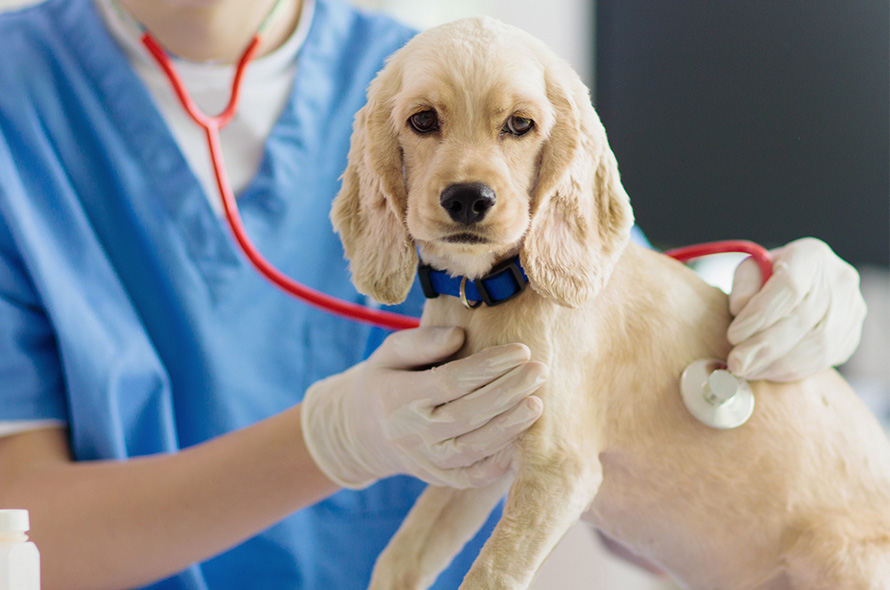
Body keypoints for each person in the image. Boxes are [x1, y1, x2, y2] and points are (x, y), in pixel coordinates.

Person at [0, 0, 866, 588]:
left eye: (513, 129)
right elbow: (18, 530)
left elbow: (620, 395)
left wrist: (774, 316)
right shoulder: (17, 97)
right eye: (426, 129)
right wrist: (329, 439)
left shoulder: (445, 71)